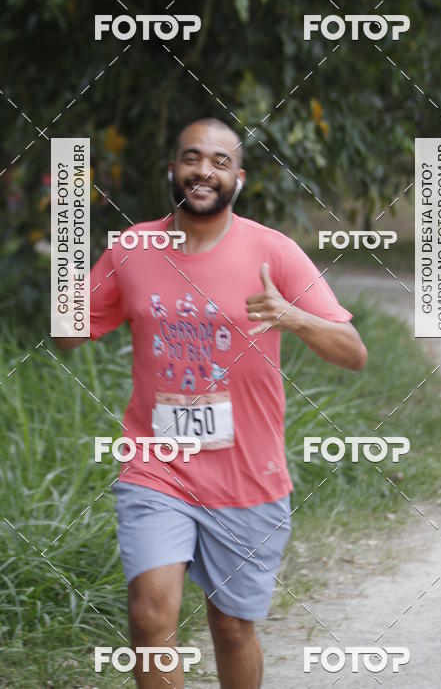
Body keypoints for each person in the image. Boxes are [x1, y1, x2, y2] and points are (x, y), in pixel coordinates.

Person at [54, 117, 367, 688]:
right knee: (150, 616)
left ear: (239, 178)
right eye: (192, 158)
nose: (204, 171)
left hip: (248, 473)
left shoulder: (275, 252)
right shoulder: (133, 249)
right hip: (156, 465)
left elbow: (353, 353)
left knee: (230, 626)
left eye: (219, 161)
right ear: (172, 169)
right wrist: (68, 243)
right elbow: (67, 335)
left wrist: (292, 316)